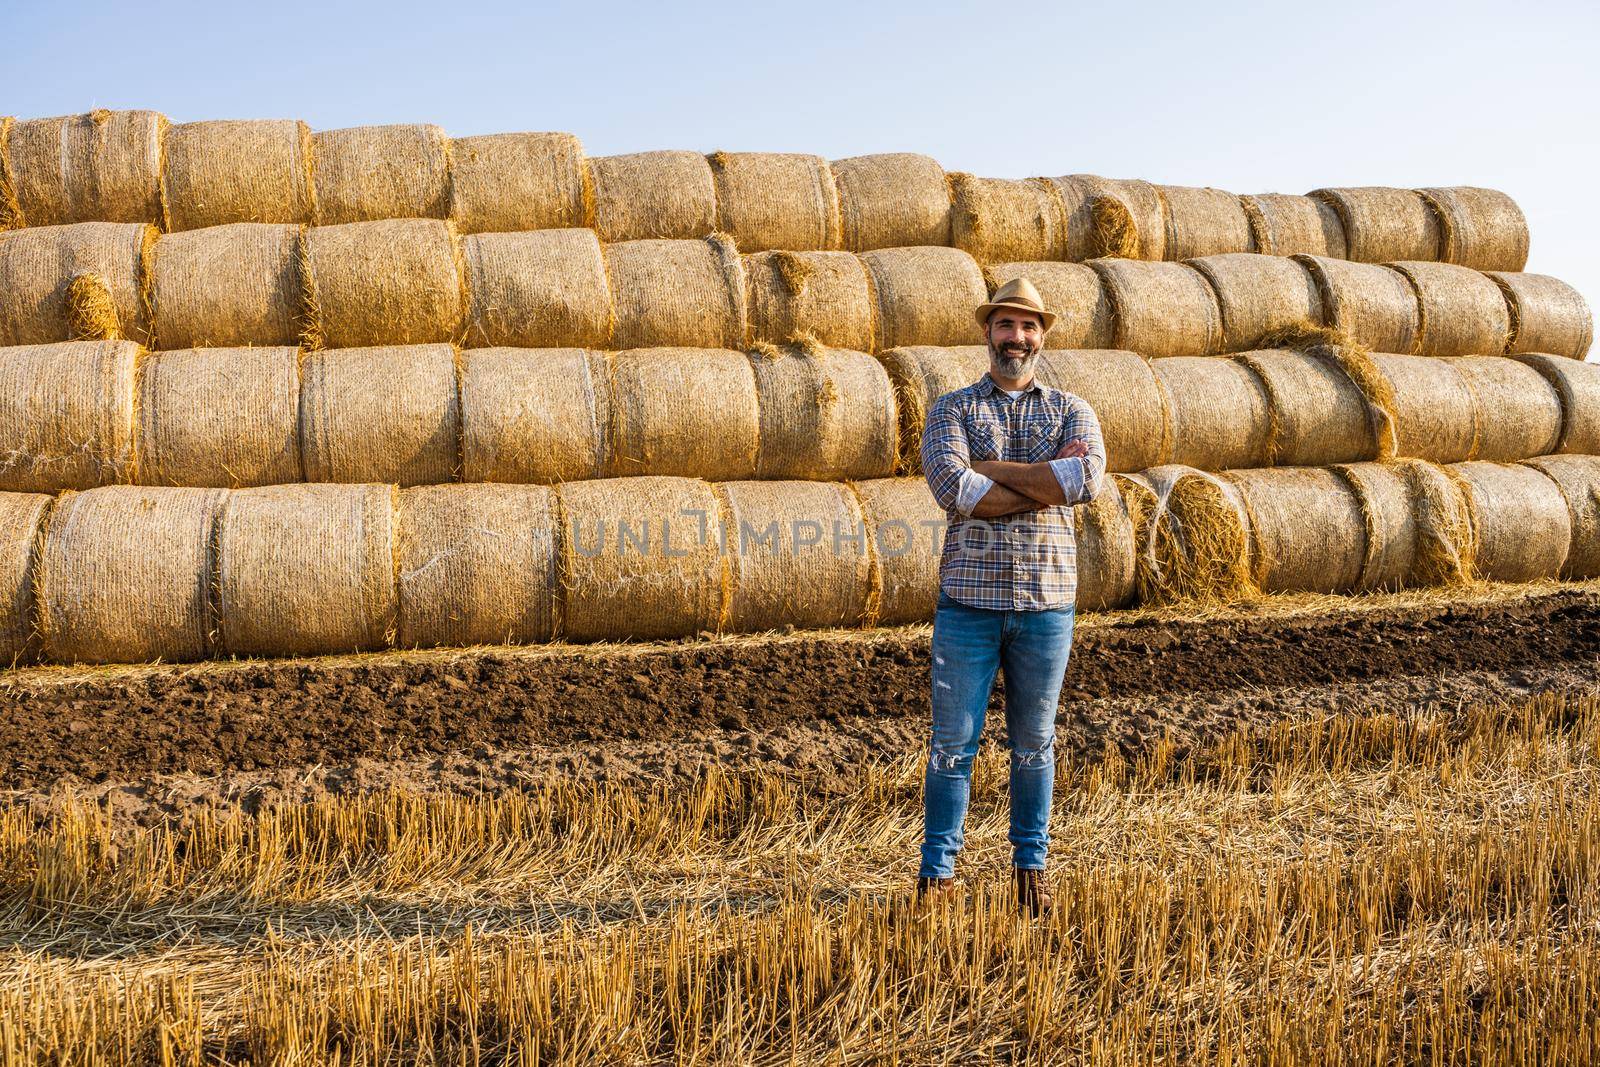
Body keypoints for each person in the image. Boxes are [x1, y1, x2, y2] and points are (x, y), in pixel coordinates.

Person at [916, 276, 1106, 916]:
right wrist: (1038, 484)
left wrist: (991, 471)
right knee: (952, 747)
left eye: (1028, 327)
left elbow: (1084, 480)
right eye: (1005, 325)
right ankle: (937, 878)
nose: (1016, 338)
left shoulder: (1073, 411)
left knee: (1034, 745)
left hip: (1047, 605)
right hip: (967, 605)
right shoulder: (951, 410)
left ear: (1042, 336)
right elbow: (954, 490)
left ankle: (1031, 871)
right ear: (987, 332)